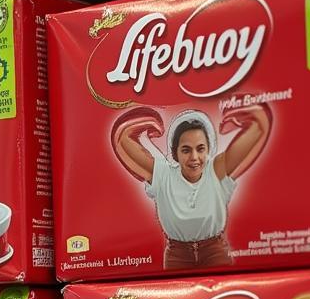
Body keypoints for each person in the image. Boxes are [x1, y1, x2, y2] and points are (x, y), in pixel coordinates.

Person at [111, 103, 271, 269]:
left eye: (200, 149)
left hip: (214, 252)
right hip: (177, 255)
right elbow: (123, 138)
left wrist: (245, 111)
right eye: (186, 150)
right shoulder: (163, 175)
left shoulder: (216, 170)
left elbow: (257, 129)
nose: (194, 157)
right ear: (176, 153)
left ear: (208, 150)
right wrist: (148, 122)